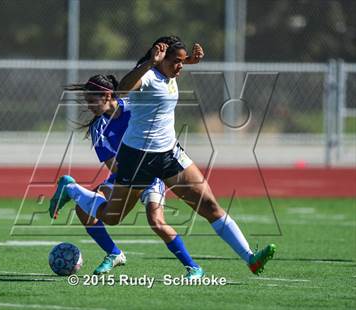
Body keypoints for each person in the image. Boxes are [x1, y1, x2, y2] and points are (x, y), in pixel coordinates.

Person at [52, 36, 276, 275]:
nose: (180, 67)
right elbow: (122, 89)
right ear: (160, 59)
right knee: (111, 217)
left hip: (169, 153)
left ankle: (250, 258)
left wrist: (186, 61)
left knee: (209, 205)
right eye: (176, 62)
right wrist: (150, 63)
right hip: (136, 158)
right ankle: (72, 190)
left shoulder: (169, 73)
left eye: (181, 62)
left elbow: (168, 72)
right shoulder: (146, 76)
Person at [51, 73, 203, 278]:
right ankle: (113, 253)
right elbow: (113, 167)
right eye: (86, 102)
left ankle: (193, 267)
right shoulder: (98, 128)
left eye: (91, 101)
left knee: (156, 221)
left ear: (106, 95)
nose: (88, 106)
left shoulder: (136, 108)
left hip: (150, 174)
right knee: (84, 210)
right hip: (123, 176)